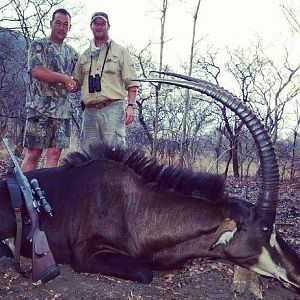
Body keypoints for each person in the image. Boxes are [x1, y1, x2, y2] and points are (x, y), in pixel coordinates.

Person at [72, 11, 139, 151]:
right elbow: (76, 83)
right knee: (88, 156)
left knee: (114, 155)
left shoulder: (120, 51)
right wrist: (62, 81)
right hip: (89, 111)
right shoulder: (84, 55)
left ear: (108, 26)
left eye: (102, 23)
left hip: (112, 109)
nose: (99, 26)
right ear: (91, 26)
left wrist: (131, 106)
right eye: (96, 23)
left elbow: (131, 82)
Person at [21, 8, 78, 172]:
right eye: (58, 23)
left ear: (69, 28)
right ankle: (25, 193)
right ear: (51, 23)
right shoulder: (38, 45)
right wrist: (66, 79)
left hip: (62, 113)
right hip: (39, 110)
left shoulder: (72, 53)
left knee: (54, 155)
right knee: (33, 153)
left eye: (66, 24)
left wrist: (73, 85)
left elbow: (76, 82)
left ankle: (44, 193)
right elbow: (37, 71)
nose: (61, 27)